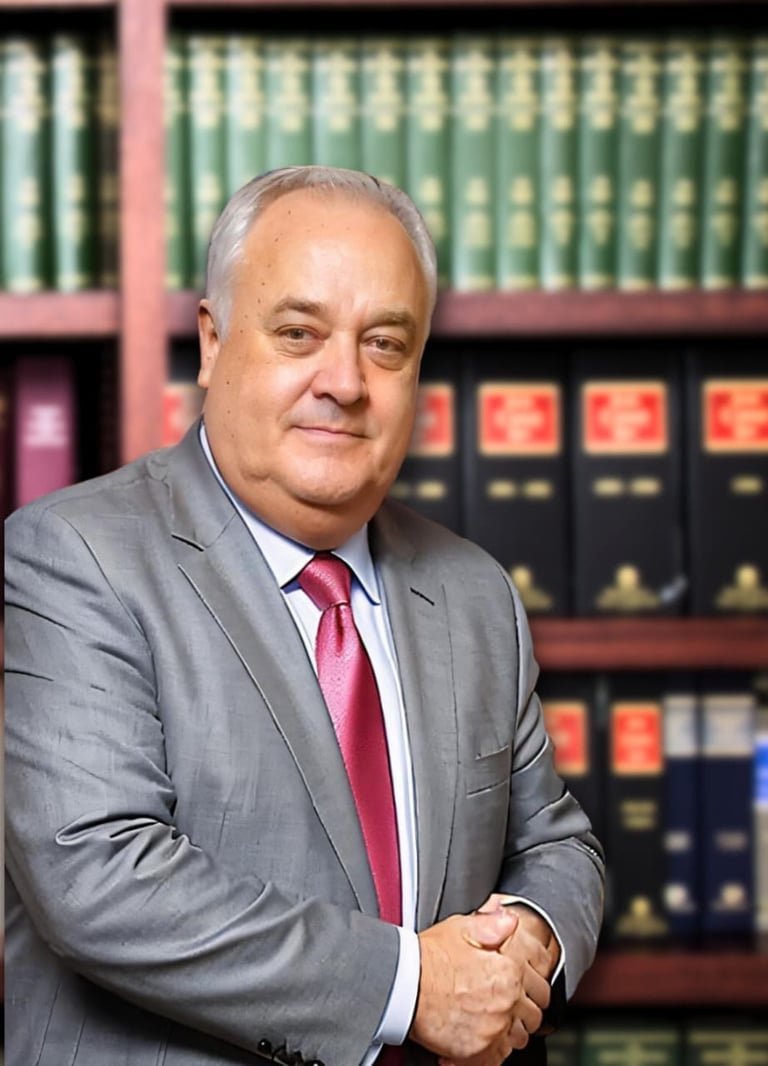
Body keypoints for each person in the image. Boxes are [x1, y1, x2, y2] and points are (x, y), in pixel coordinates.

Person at [4, 166, 604, 1066]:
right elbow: (96, 876)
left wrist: (528, 940)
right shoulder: (74, 555)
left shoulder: (475, 593)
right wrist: (413, 986)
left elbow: (557, 842)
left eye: (385, 345)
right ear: (212, 342)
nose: (346, 382)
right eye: (299, 333)